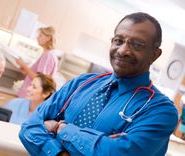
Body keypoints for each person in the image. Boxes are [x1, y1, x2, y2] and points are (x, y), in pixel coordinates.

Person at [19, 12, 178, 156]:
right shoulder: (81, 83)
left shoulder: (160, 110)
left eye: (136, 44)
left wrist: (60, 129)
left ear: (154, 54)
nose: (123, 50)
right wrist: (59, 154)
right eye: (118, 40)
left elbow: (119, 154)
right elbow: (30, 126)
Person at [17, 26, 58, 98]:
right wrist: (26, 72)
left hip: (31, 96)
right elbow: (39, 76)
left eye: (40, 36)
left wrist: (23, 65)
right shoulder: (49, 54)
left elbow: (40, 80)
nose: (37, 37)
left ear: (48, 38)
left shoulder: (48, 55)